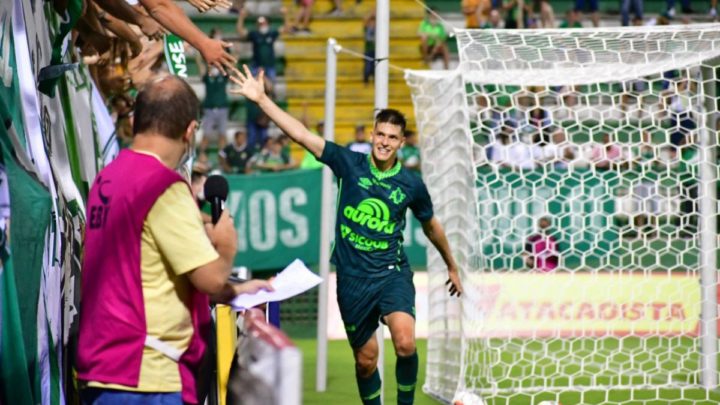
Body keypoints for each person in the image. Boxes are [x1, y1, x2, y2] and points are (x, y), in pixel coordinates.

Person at [230, 66, 463, 405]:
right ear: (372, 134)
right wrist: (263, 99)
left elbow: (431, 225)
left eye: (392, 137)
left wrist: (451, 265)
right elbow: (301, 135)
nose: (384, 142)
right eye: (380, 134)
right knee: (366, 361)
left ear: (402, 142)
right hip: (352, 279)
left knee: (405, 342)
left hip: (391, 274)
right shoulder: (348, 164)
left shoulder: (411, 184)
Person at [76, 75, 272, 405]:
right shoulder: (162, 186)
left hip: (104, 366)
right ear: (191, 130)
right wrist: (226, 245)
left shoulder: (107, 177)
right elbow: (209, 279)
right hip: (146, 373)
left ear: (136, 119)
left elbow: (140, 270)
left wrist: (234, 291)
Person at [196, 34, 231, 157]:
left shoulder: (224, 74)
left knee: (223, 134)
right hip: (209, 107)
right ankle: (202, 155)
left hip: (222, 107)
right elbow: (199, 62)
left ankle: (223, 157)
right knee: (206, 134)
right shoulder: (207, 74)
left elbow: (232, 64)